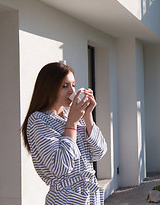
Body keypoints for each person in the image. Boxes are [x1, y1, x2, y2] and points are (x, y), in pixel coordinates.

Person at [21, 62, 107, 205]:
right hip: (66, 199)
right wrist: (71, 124)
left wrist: (87, 116)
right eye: (64, 86)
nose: (71, 91)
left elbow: (99, 152)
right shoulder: (39, 120)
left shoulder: (71, 114)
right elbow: (60, 167)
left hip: (91, 197)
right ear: (49, 88)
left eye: (73, 85)